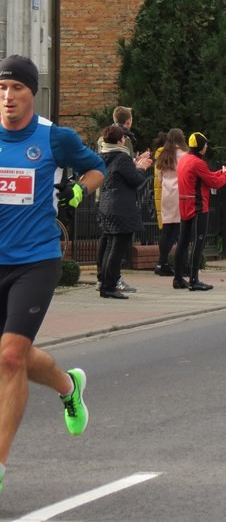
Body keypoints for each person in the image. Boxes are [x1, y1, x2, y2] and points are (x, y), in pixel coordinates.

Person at [0, 55, 105, 493]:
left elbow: (97, 167)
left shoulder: (54, 138)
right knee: (14, 355)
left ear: (32, 93)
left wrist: (79, 189)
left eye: (16, 88)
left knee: (10, 357)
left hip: (36, 261)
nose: (8, 97)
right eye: (2, 88)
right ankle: (68, 386)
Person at [173, 132, 226, 291]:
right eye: (206, 144)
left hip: (185, 204)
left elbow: (206, 177)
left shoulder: (185, 159)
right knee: (199, 242)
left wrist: (223, 171)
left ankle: (178, 278)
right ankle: (194, 280)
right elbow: (214, 183)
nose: (207, 146)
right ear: (202, 146)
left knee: (183, 242)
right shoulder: (198, 163)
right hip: (198, 206)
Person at [97, 125, 154, 298]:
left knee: (110, 247)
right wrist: (142, 168)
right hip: (121, 207)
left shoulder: (104, 155)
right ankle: (109, 286)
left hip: (106, 205)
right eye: (123, 138)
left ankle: (105, 284)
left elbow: (120, 174)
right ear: (120, 140)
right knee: (117, 249)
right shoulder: (122, 157)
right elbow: (135, 180)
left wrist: (134, 163)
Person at [154, 128, 188, 277]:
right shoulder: (185, 154)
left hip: (167, 194)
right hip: (181, 193)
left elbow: (159, 176)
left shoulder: (164, 154)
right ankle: (183, 265)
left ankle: (162, 263)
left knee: (167, 230)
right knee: (182, 230)